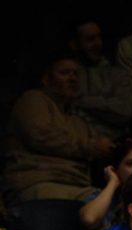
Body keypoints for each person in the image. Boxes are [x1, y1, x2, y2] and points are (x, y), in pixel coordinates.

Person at [3, 53, 115, 205]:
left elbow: (97, 147)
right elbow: (41, 135)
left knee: (112, 207)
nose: (72, 78)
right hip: (38, 180)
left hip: (78, 186)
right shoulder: (33, 100)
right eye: (64, 73)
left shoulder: (78, 121)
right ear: (46, 79)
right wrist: (91, 146)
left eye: (75, 74)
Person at [69, 17, 132, 140]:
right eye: (90, 39)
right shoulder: (67, 74)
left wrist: (82, 101)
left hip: (113, 143)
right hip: (76, 143)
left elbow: (124, 111)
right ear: (74, 45)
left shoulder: (116, 74)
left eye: (99, 38)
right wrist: (105, 104)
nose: (98, 43)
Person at [78, 137, 132, 230]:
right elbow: (89, 219)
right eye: (130, 163)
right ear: (115, 170)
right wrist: (113, 182)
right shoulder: (101, 196)